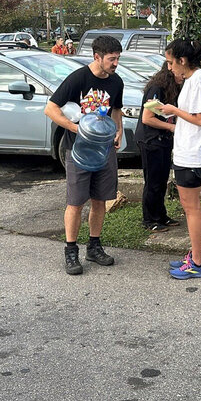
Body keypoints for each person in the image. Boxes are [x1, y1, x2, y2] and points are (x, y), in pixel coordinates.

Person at [44, 35, 124, 275]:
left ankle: (94, 246)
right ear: (97, 57)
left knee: (100, 200)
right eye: (111, 59)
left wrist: (118, 131)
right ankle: (71, 251)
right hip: (78, 150)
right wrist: (76, 129)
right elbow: (50, 109)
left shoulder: (116, 82)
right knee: (76, 202)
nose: (115, 63)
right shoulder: (78, 78)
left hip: (104, 149)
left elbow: (116, 109)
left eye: (118, 58)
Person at [159, 38, 201, 280]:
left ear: (182, 60)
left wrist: (173, 111)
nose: (169, 68)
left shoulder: (199, 80)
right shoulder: (194, 80)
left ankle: (197, 262)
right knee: (189, 207)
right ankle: (194, 255)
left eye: (171, 63)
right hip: (188, 152)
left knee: (191, 209)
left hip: (193, 155)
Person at [135, 67, 182, 232]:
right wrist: (171, 128)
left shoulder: (172, 89)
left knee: (162, 181)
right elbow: (147, 118)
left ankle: (161, 215)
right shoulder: (156, 88)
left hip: (163, 140)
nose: (182, 77)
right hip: (151, 140)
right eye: (180, 73)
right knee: (153, 181)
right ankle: (149, 219)